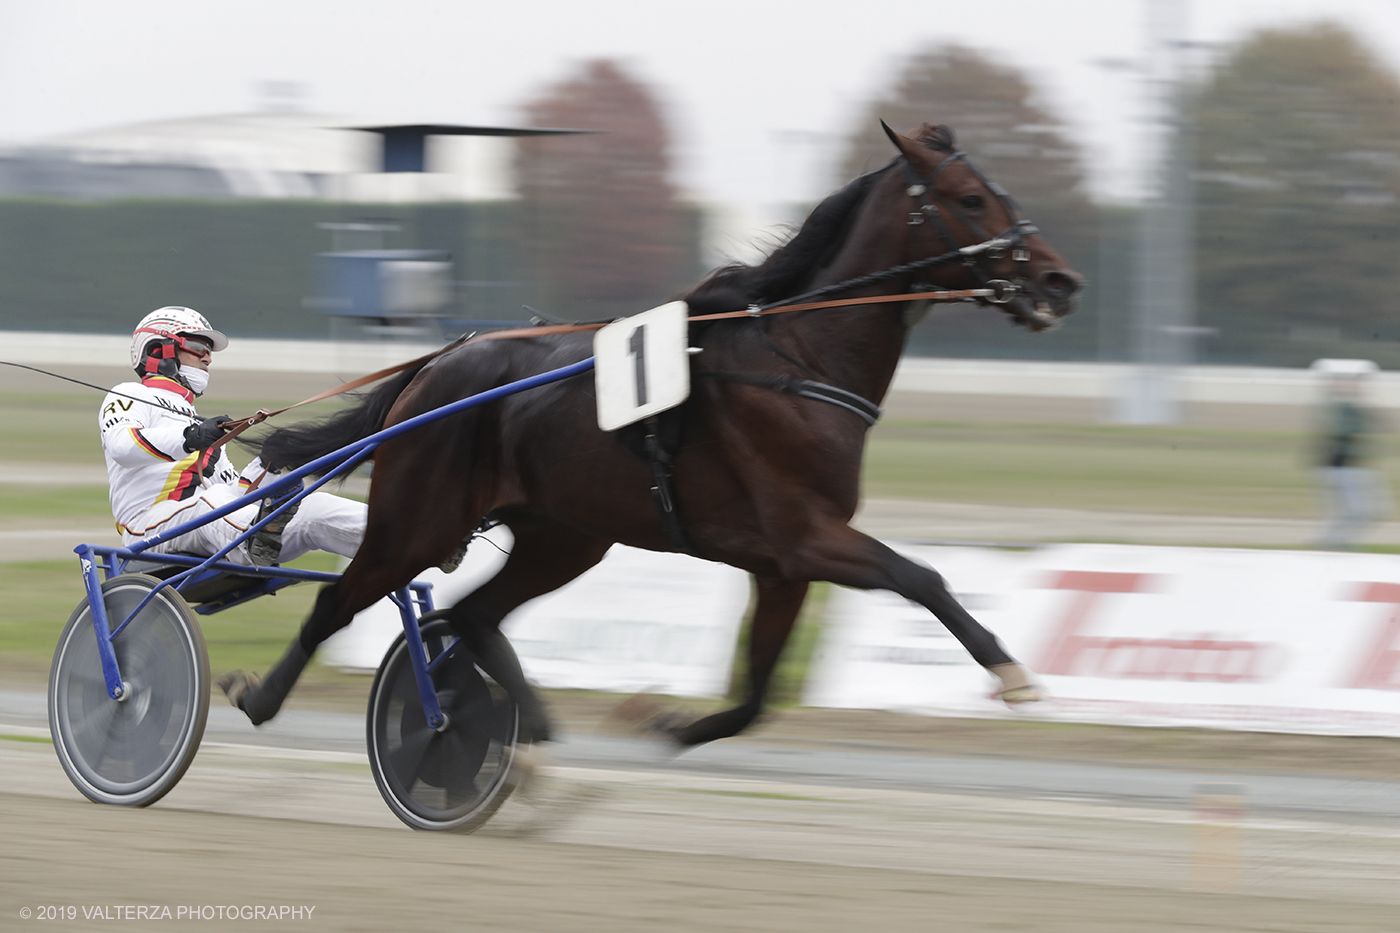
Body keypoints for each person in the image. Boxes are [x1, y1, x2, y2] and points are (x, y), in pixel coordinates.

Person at [100, 306, 367, 566]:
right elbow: (123, 446)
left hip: (213, 523)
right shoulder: (131, 394)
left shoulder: (200, 426)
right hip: (145, 528)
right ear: (160, 350)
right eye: (197, 348)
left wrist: (267, 464)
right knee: (211, 501)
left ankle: (396, 534)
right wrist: (192, 436)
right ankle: (251, 538)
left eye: (209, 352)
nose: (208, 358)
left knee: (312, 505)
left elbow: (238, 494)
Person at [1312, 358, 1388, 550]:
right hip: (1343, 466)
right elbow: (1345, 428)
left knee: (1366, 511)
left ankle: (1333, 542)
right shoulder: (1340, 408)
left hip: (1353, 466)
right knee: (1359, 512)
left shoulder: (1352, 408)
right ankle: (1334, 542)